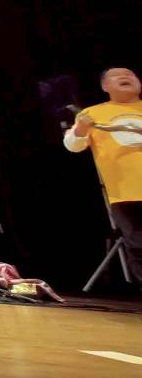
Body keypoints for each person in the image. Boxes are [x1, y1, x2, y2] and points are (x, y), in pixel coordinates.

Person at [64, 67, 142, 287]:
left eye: (130, 74)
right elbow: (73, 145)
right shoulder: (92, 114)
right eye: (116, 75)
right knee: (139, 246)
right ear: (105, 86)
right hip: (126, 193)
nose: (125, 76)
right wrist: (80, 129)